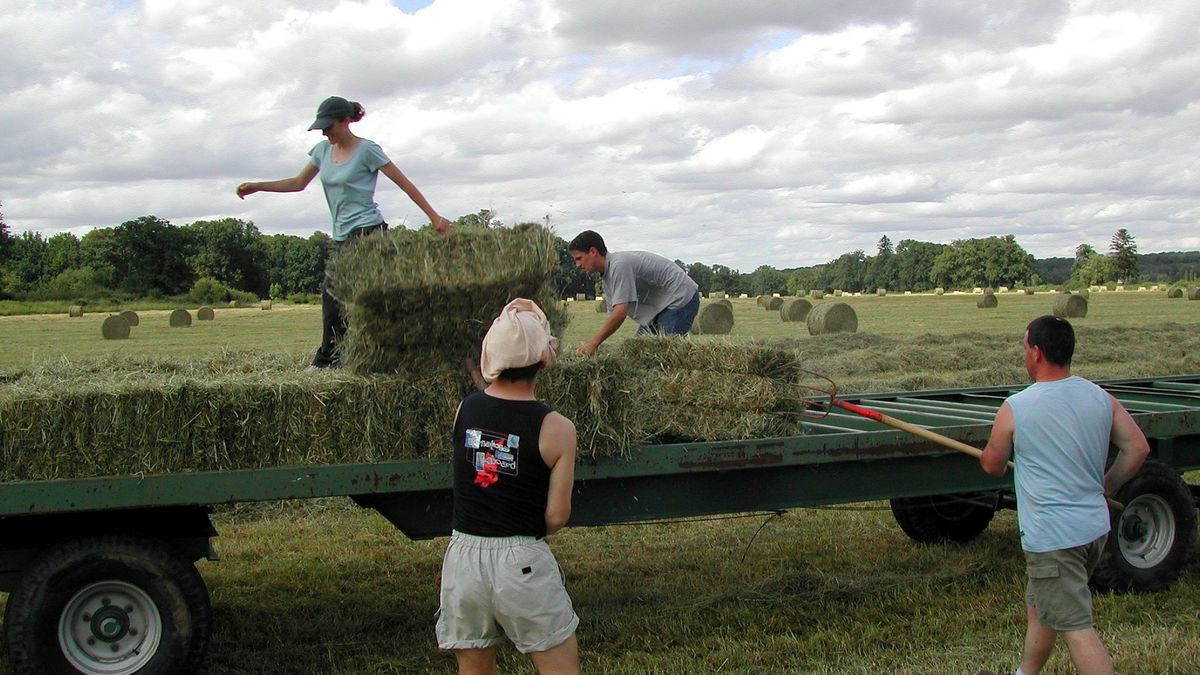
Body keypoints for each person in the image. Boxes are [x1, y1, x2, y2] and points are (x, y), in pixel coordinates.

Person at [979, 315, 1149, 675]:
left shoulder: (1018, 406)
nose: (1024, 354)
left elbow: (993, 466)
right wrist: (1107, 486)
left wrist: (990, 452)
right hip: (1092, 530)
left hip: (1054, 538)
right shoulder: (1099, 396)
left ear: (1037, 353)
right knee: (1042, 607)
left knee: (1076, 627)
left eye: (1025, 347)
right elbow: (1137, 448)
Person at [236, 95, 452, 368]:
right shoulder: (321, 151)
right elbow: (298, 183)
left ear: (345, 121)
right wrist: (258, 186)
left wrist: (435, 218)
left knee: (332, 293)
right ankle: (356, 355)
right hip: (341, 236)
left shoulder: (367, 150)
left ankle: (327, 360)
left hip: (368, 233)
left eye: (329, 126)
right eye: (321, 127)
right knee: (351, 299)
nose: (324, 131)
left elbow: (405, 184)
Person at [436, 298, 581, 675]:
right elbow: (556, 515)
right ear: (543, 360)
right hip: (521, 563)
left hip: (462, 561)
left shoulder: (463, 410)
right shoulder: (558, 429)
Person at [567, 230, 700, 355]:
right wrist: (597, 344)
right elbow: (613, 316)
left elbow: (620, 313)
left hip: (679, 297)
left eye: (579, 258)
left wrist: (593, 343)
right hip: (660, 308)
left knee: (666, 355)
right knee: (639, 353)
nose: (577, 265)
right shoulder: (607, 279)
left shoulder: (619, 266)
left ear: (593, 251)